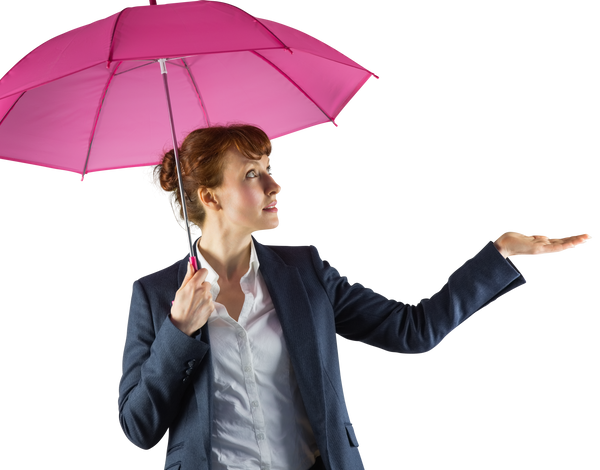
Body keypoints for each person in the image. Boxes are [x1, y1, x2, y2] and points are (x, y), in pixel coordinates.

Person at [116, 124, 594, 470]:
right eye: (251, 174)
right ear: (210, 197)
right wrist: (178, 331)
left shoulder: (306, 270)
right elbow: (139, 430)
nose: (275, 183)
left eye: (271, 167)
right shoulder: (155, 294)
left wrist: (498, 252)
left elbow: (413, 331)